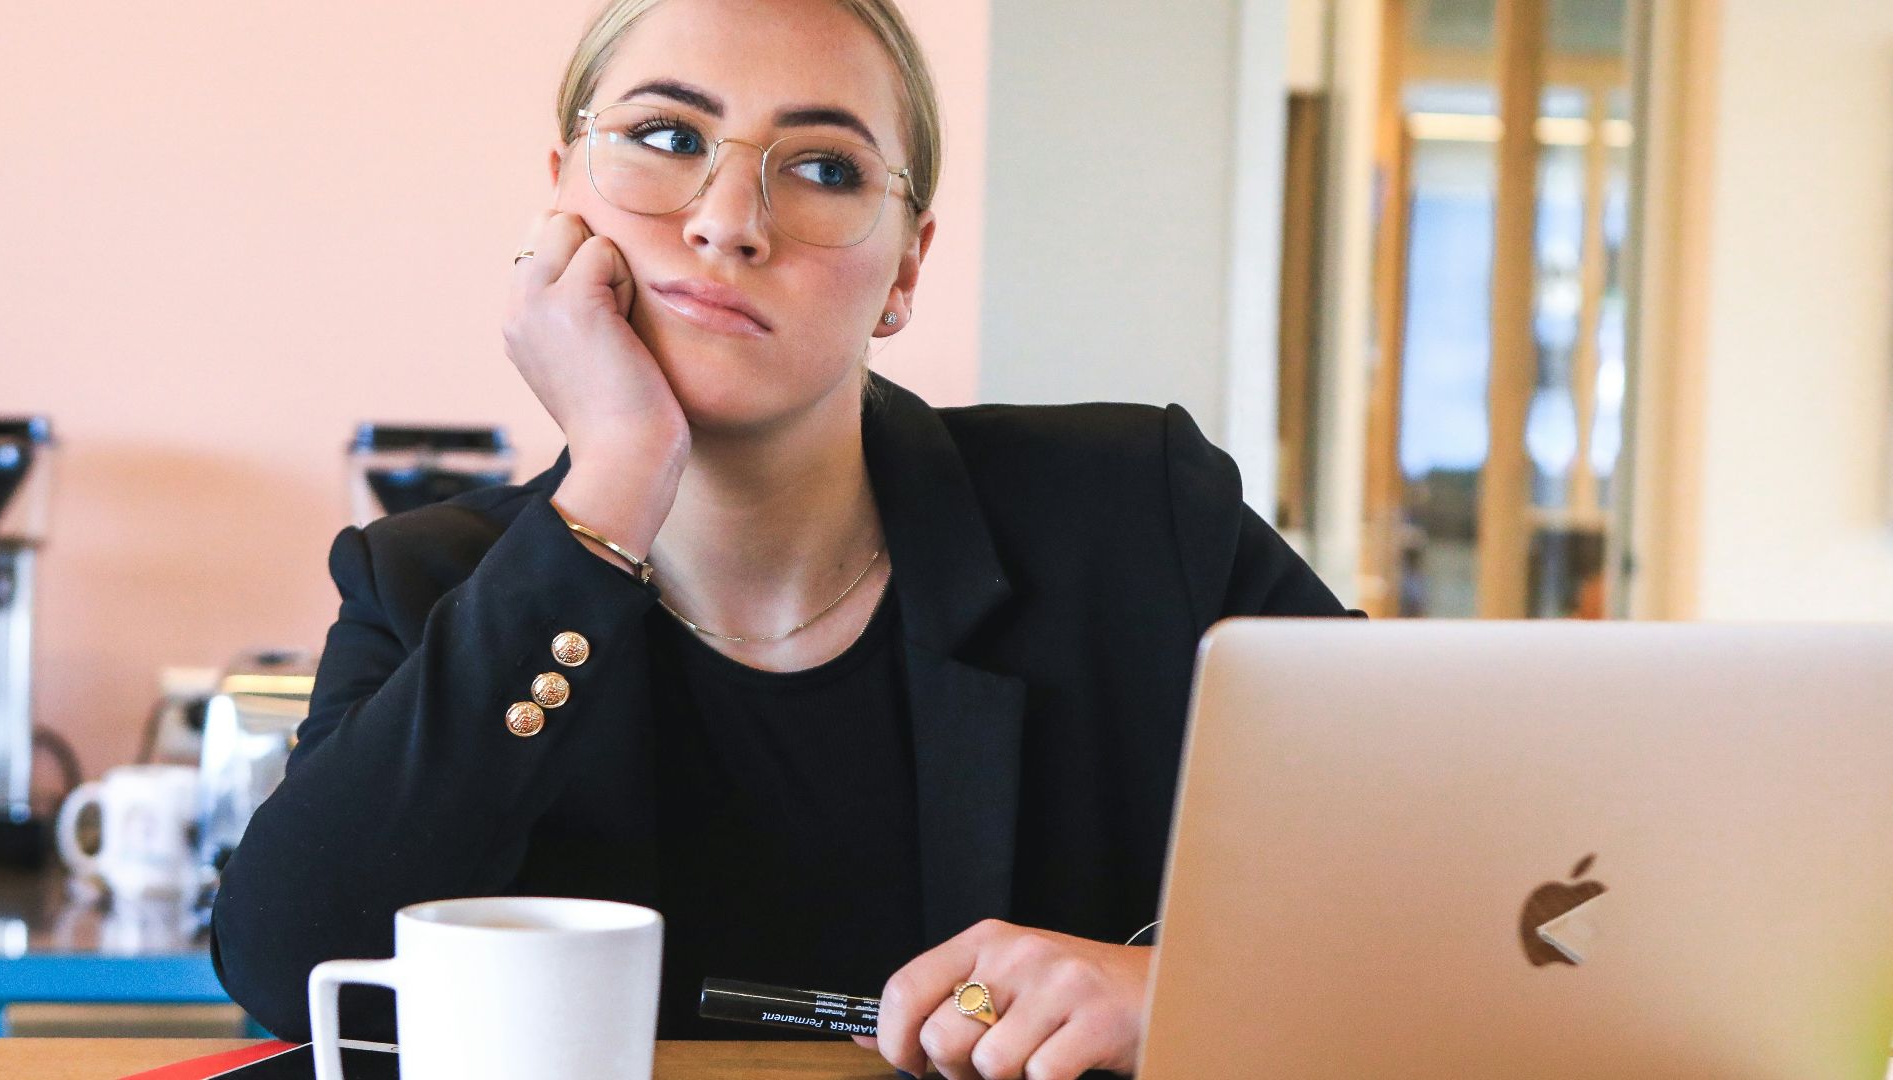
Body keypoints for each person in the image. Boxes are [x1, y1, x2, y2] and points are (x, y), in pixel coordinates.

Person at [209, 0, 1359, 1076]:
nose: (728, 221)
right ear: (560, 200)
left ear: (906, 266)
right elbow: (293, 970)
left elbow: (1444, 878)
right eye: (667, 137)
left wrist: (1177, 994)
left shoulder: (1136, 515)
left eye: (823, 168)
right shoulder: (430, 581)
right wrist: (614, 481)